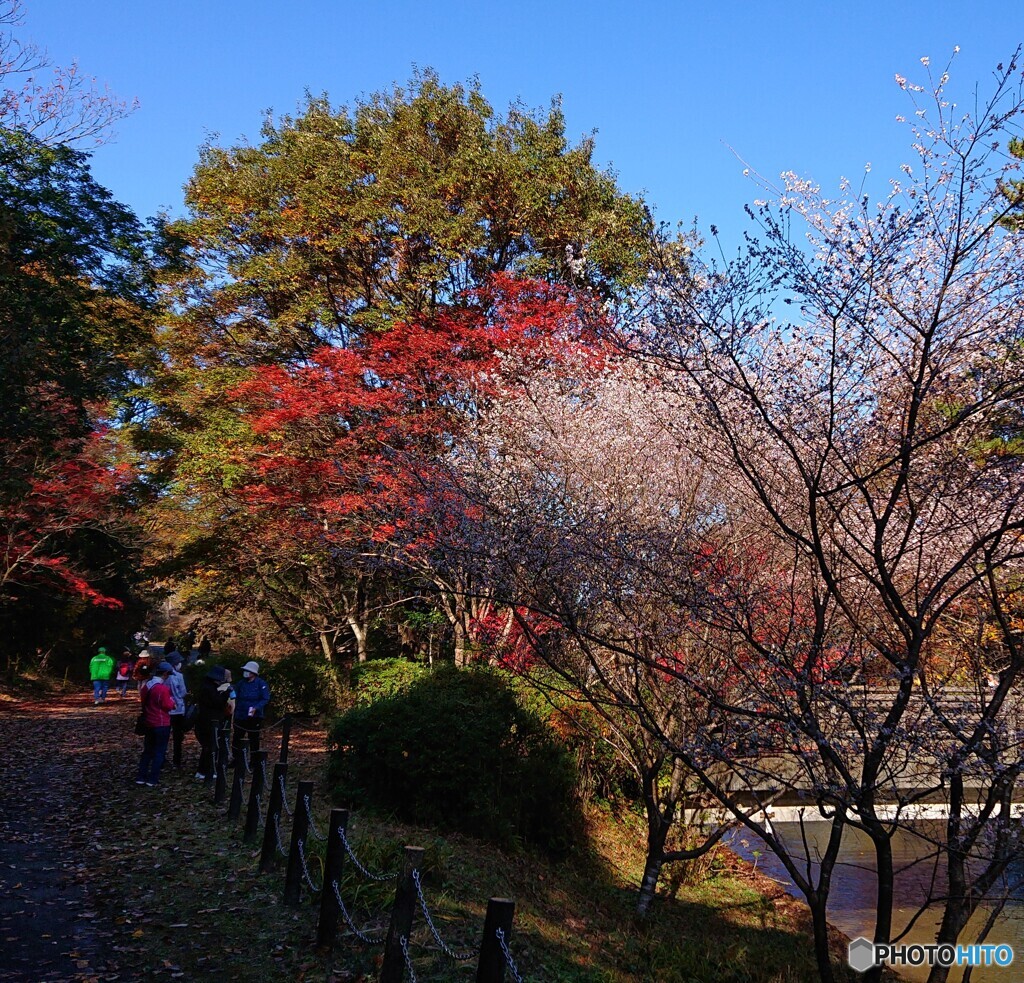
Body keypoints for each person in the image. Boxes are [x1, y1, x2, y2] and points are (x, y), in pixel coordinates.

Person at [135, 661, 175, 787]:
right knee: (159, 751)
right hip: (161, 722)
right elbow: (168, 705)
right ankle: (153, 779)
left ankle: (141, 776)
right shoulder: (162, 689)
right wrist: (173, 702)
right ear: (165, 674)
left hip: (149, 722)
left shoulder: (147, 686)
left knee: (147, 751)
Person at [194, 666, 234, 782]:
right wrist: (226, 693)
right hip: (210, 721)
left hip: (206, 720)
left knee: (208, 747)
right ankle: (206, 771)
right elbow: (218, 703)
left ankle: (203, 770)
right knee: (210, 747)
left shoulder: (206, 687)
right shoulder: (209, 689)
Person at [232, 660, 270, 763]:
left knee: (254, 738)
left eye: (248, 671)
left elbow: (265, 698)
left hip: (254, 715)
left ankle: (254, 761)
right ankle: (236, 759)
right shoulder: (241, 683)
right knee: (237, 737)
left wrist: (256, 708)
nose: (246, 673)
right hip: (240, 714)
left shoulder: (261, 684)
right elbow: (235, 694)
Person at [166, 652, 188, 771]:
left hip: (165, 709)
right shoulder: (179, 676)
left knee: (164, 735)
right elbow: (183, 692)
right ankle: (177, 760)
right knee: (177, 737)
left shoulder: (163, 676)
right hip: (178, 709)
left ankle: (162, 758)